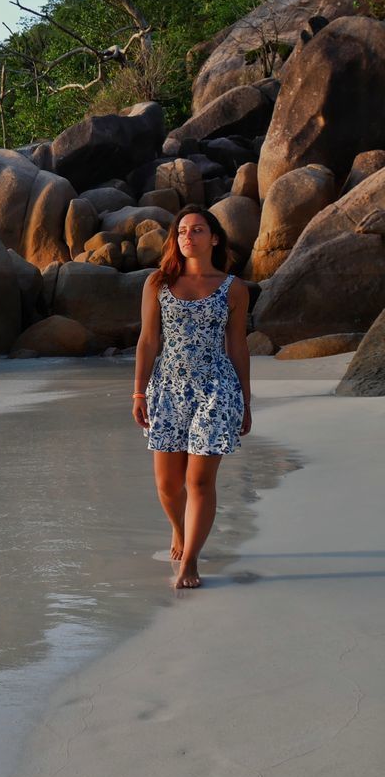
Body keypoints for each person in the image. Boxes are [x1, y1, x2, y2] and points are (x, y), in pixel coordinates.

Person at [132, 204, 251, 589]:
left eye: (197, 230)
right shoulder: (158, 283)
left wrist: (246, 402)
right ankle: (180, 531)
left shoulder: (234, 288)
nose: (188, 236)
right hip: (166, 389)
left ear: (213, 238)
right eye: (182, 231)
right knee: (167, 485)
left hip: (216, 389)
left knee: (199, 482)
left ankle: (191, 561)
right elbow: (148, 341)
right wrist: (139, 391)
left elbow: (238, 346)